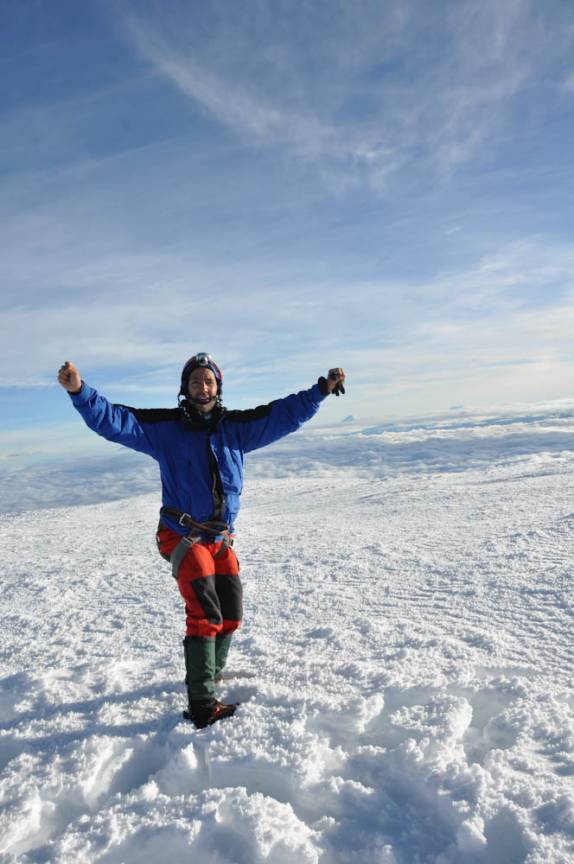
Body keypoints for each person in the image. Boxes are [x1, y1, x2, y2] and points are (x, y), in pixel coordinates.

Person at [57, 354, 346, 728]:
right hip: (181, 534)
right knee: (205, 612)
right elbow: (115, 420)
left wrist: (321, 390)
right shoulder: (166, 429)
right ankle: (202, 706)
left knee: (231, 615)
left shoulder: (235, 429)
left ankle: (207, 674)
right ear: (185, 389)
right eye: (195, 381)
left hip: (219, 538)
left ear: (218, 387)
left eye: (208, 381)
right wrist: (79, 391)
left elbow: (281, 415)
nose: (202, 387)